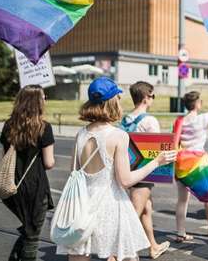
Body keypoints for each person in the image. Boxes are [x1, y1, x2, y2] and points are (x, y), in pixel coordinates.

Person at [57, 77, 176, 261]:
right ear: (112, 101)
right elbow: (125, 180)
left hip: (82, 204)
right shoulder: (118, 136)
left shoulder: (80, 134)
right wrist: (156, 162)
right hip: (110, 205)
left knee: (79, 256)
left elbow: (74, 171)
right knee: (124, 255)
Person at [0, 85, 56, 261]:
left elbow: (4, 157)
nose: (46, 100)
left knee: (28, 228)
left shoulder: (9, 125)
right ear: (38, 102)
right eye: (44, 97)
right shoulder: (43, 127)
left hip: (11, 186)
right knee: (32, 234)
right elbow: (49, 162)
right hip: (35, 187)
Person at [119, 81, 170, 259]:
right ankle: (121, 253)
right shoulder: (149, 121)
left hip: (128, 169)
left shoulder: (125, 119)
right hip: (144, 172)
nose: (153, 99)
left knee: (147, 208)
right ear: (146, 97)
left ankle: (153, 246)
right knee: (134, 213)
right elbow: (157, 149)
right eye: (152, 96)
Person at [175, 82, 208, 242]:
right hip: (199, 162)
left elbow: (174, 141)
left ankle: (180, 232)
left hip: (182, 163)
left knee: (182, 200)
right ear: (197, 104)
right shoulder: (202, 119)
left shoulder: (180, 121)